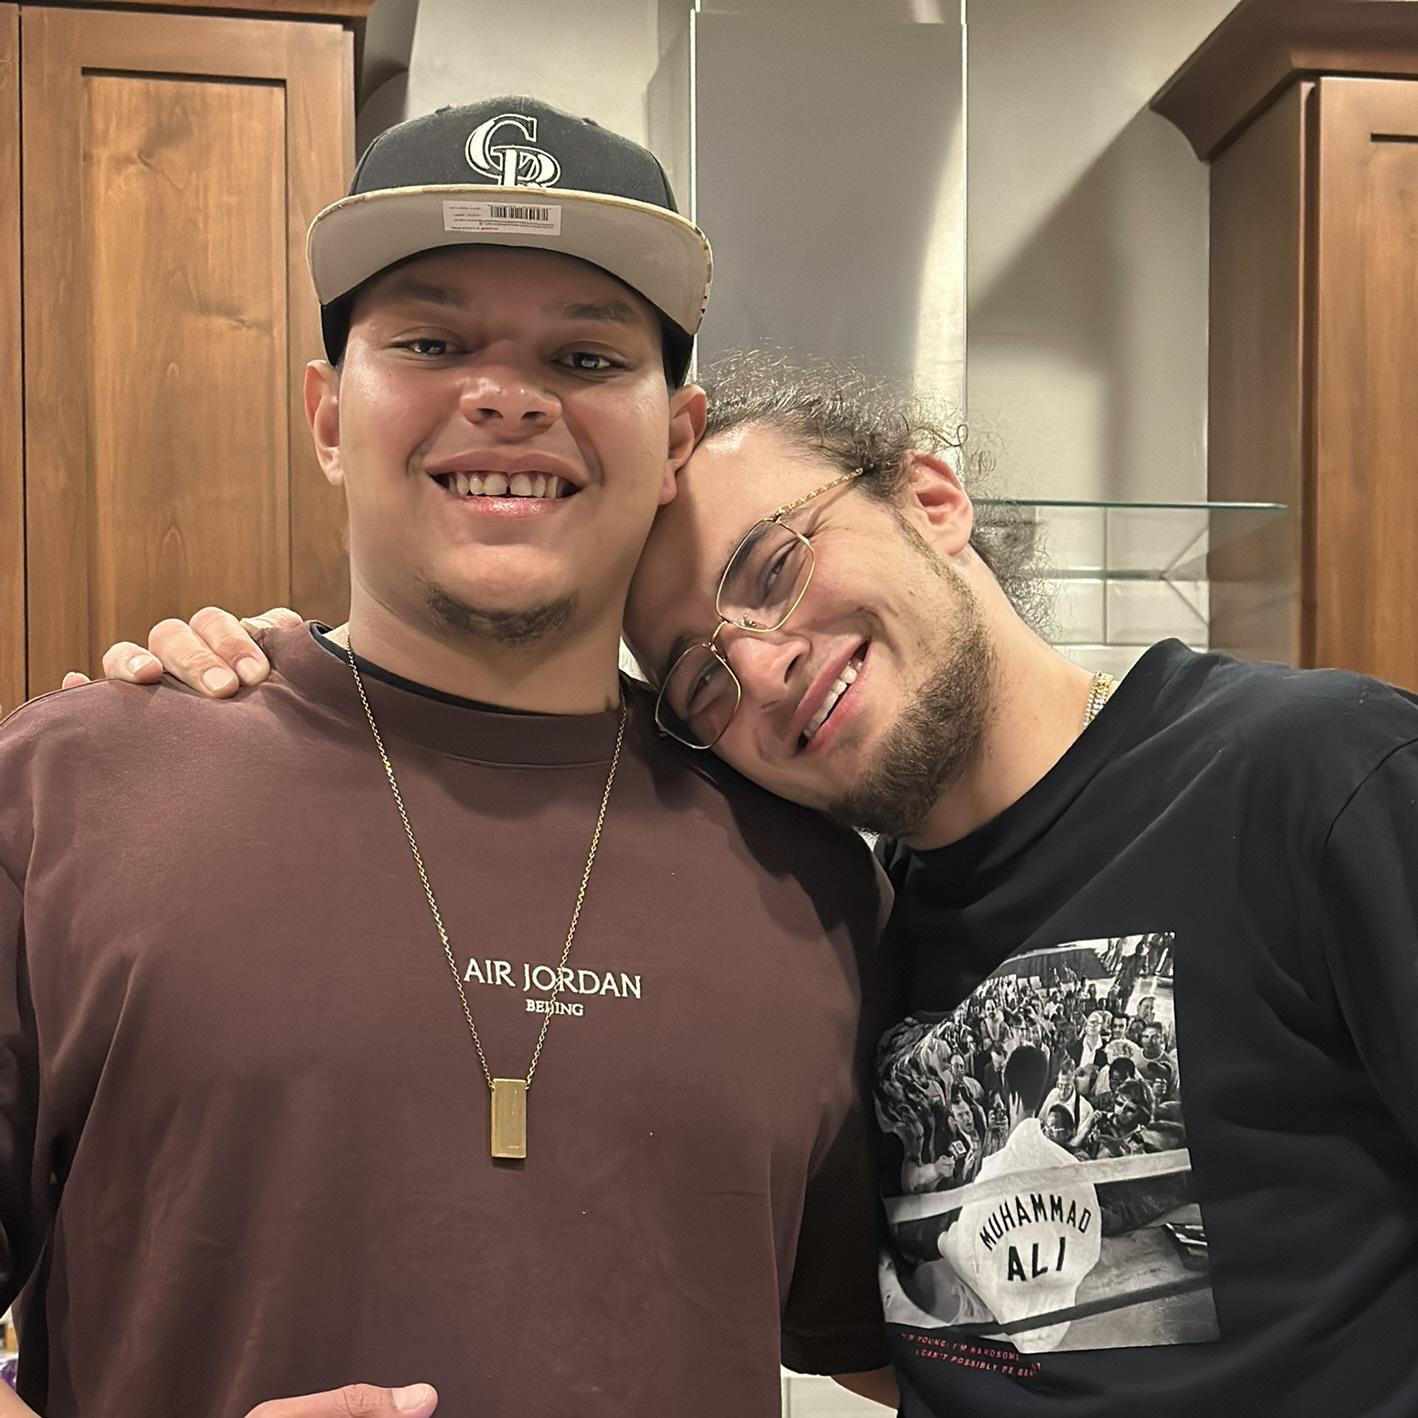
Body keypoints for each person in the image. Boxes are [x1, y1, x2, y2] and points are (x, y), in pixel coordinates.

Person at [82, 340, 1418, 1404]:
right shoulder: (842, 924)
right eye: (697, 679)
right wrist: (286, 692)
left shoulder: (1319, 775)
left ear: (932, 499)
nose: (763, 667)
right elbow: (920, 1340)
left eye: (774, 566)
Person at [0, 102, 897, 1418]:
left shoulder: (811, 877)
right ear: (326, 415)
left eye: (585, 356)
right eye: (430, 343)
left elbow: (957, 1352)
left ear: (675, 441)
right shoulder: (64, 795)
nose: (508, 395)